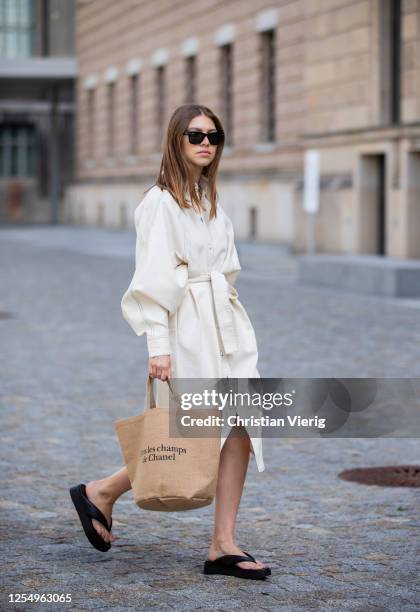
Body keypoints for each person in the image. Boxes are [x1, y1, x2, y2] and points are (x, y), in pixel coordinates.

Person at [70, 104, 270, 580]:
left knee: (245, 424)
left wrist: (229, 311)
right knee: (194, 428)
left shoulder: (210, 199)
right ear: (176, 139)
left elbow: (228, 269)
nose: (206, 142)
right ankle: (101, 491)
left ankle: (222, 544)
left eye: (215, 136)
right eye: (196, 134)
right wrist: (157, 345)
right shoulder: (160, 203)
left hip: (226, 323)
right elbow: (152, 281)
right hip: (186, 328)